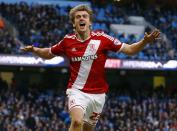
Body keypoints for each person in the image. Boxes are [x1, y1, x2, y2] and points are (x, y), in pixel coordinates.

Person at [21, 4, 160, 131]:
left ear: (90, 22)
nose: (81, 18)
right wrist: (35, 49)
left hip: (98, 94)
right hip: (77, 90)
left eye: (84, 16)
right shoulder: (67, 41)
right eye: (78, 17)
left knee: (87, 129)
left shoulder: (103, 39)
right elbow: (49, 53)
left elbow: (129, 50)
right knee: (76, 122)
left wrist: (144, 41)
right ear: (74, 23)